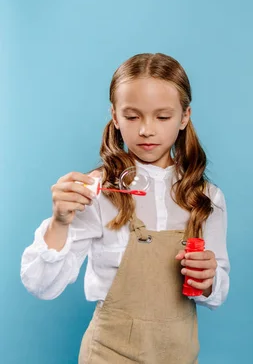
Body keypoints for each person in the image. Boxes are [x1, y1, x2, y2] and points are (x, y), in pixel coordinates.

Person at [20, 53, 230, 363]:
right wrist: (59, 223)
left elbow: (218, 293)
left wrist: (209, 279)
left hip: (178, 355)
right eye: (132, 116)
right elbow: (41, 286)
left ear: (184, 117)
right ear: (115, 117)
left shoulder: (205, 197)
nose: (146, 129)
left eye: (162, 117)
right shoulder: (97, 191)